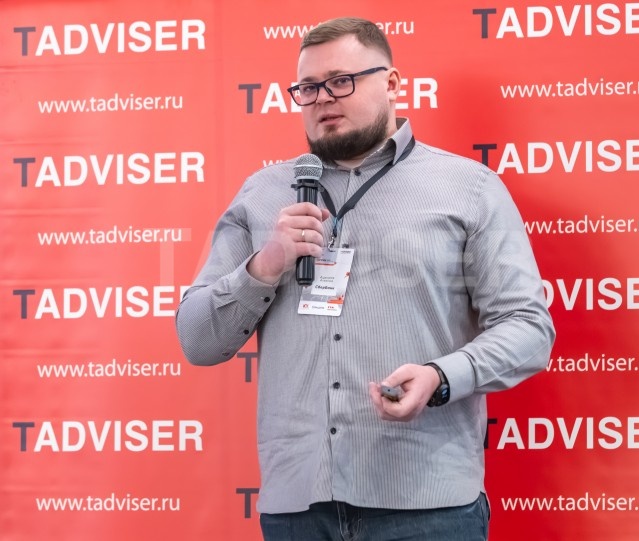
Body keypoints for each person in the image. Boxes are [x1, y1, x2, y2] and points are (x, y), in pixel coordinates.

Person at [176, 16, 555, 541]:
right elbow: (197, 340)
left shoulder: (469, 188)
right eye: (308, 88)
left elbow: (529, 327)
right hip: (298, 508)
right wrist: (265, 265)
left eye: (341, 81)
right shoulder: (262, 195)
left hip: (426, 505)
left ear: (393, 83)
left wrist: (441, 377)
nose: (323, 99)